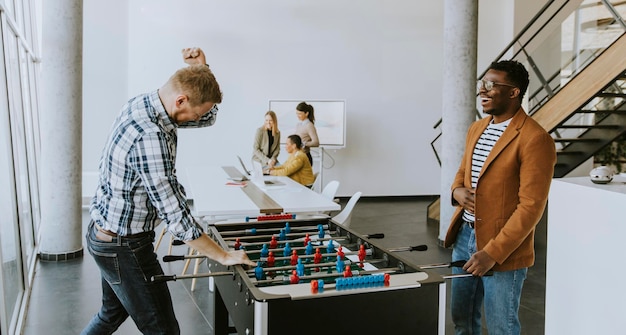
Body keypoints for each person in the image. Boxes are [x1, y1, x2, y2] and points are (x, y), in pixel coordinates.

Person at [81, 47, 255, 335]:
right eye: (193, 112)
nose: (196, 118)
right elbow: (176, 216)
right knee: (163, 330)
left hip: (105, 233)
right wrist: (223, 255)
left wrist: (203, 69)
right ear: (181, 100)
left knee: (110, 315)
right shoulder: (151, 135)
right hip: (124, 247)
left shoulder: (144, 104)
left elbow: (207, 116)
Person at [443, 60, 556, 335]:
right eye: (482, 84)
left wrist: (491, 253)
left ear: (514, 92)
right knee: (462, 320)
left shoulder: (535, 139)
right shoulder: (477, 128)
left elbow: (531, 207)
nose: (482, 90)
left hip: (502, 249)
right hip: (465, 238)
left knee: (501, 327)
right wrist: (457, 191)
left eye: (491, 85)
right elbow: (463, 171)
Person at [294, 101, 319, 166]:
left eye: (299, 114)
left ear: (306, 113)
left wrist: (304, 144)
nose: (297, 116)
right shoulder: (298, 125)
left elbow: (316, 142)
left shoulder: (309, 125)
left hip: (305, 157)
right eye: (297, 113)